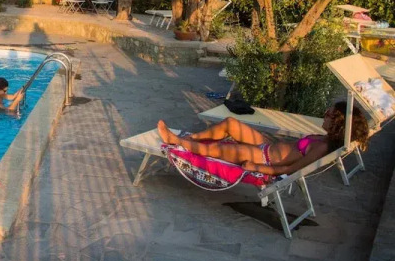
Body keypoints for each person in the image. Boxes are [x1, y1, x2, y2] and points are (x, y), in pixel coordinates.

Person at [157, 101, 369, 176]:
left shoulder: (321, 149)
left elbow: (289, 169)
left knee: (218, 149)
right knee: (230, 123)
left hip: (263, 159)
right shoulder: (324, 140)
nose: (324, 115)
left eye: (329, 115)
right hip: (267, 147)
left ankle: (176, 140)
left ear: (338, 123)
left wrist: (256, 168)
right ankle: (191, 137)